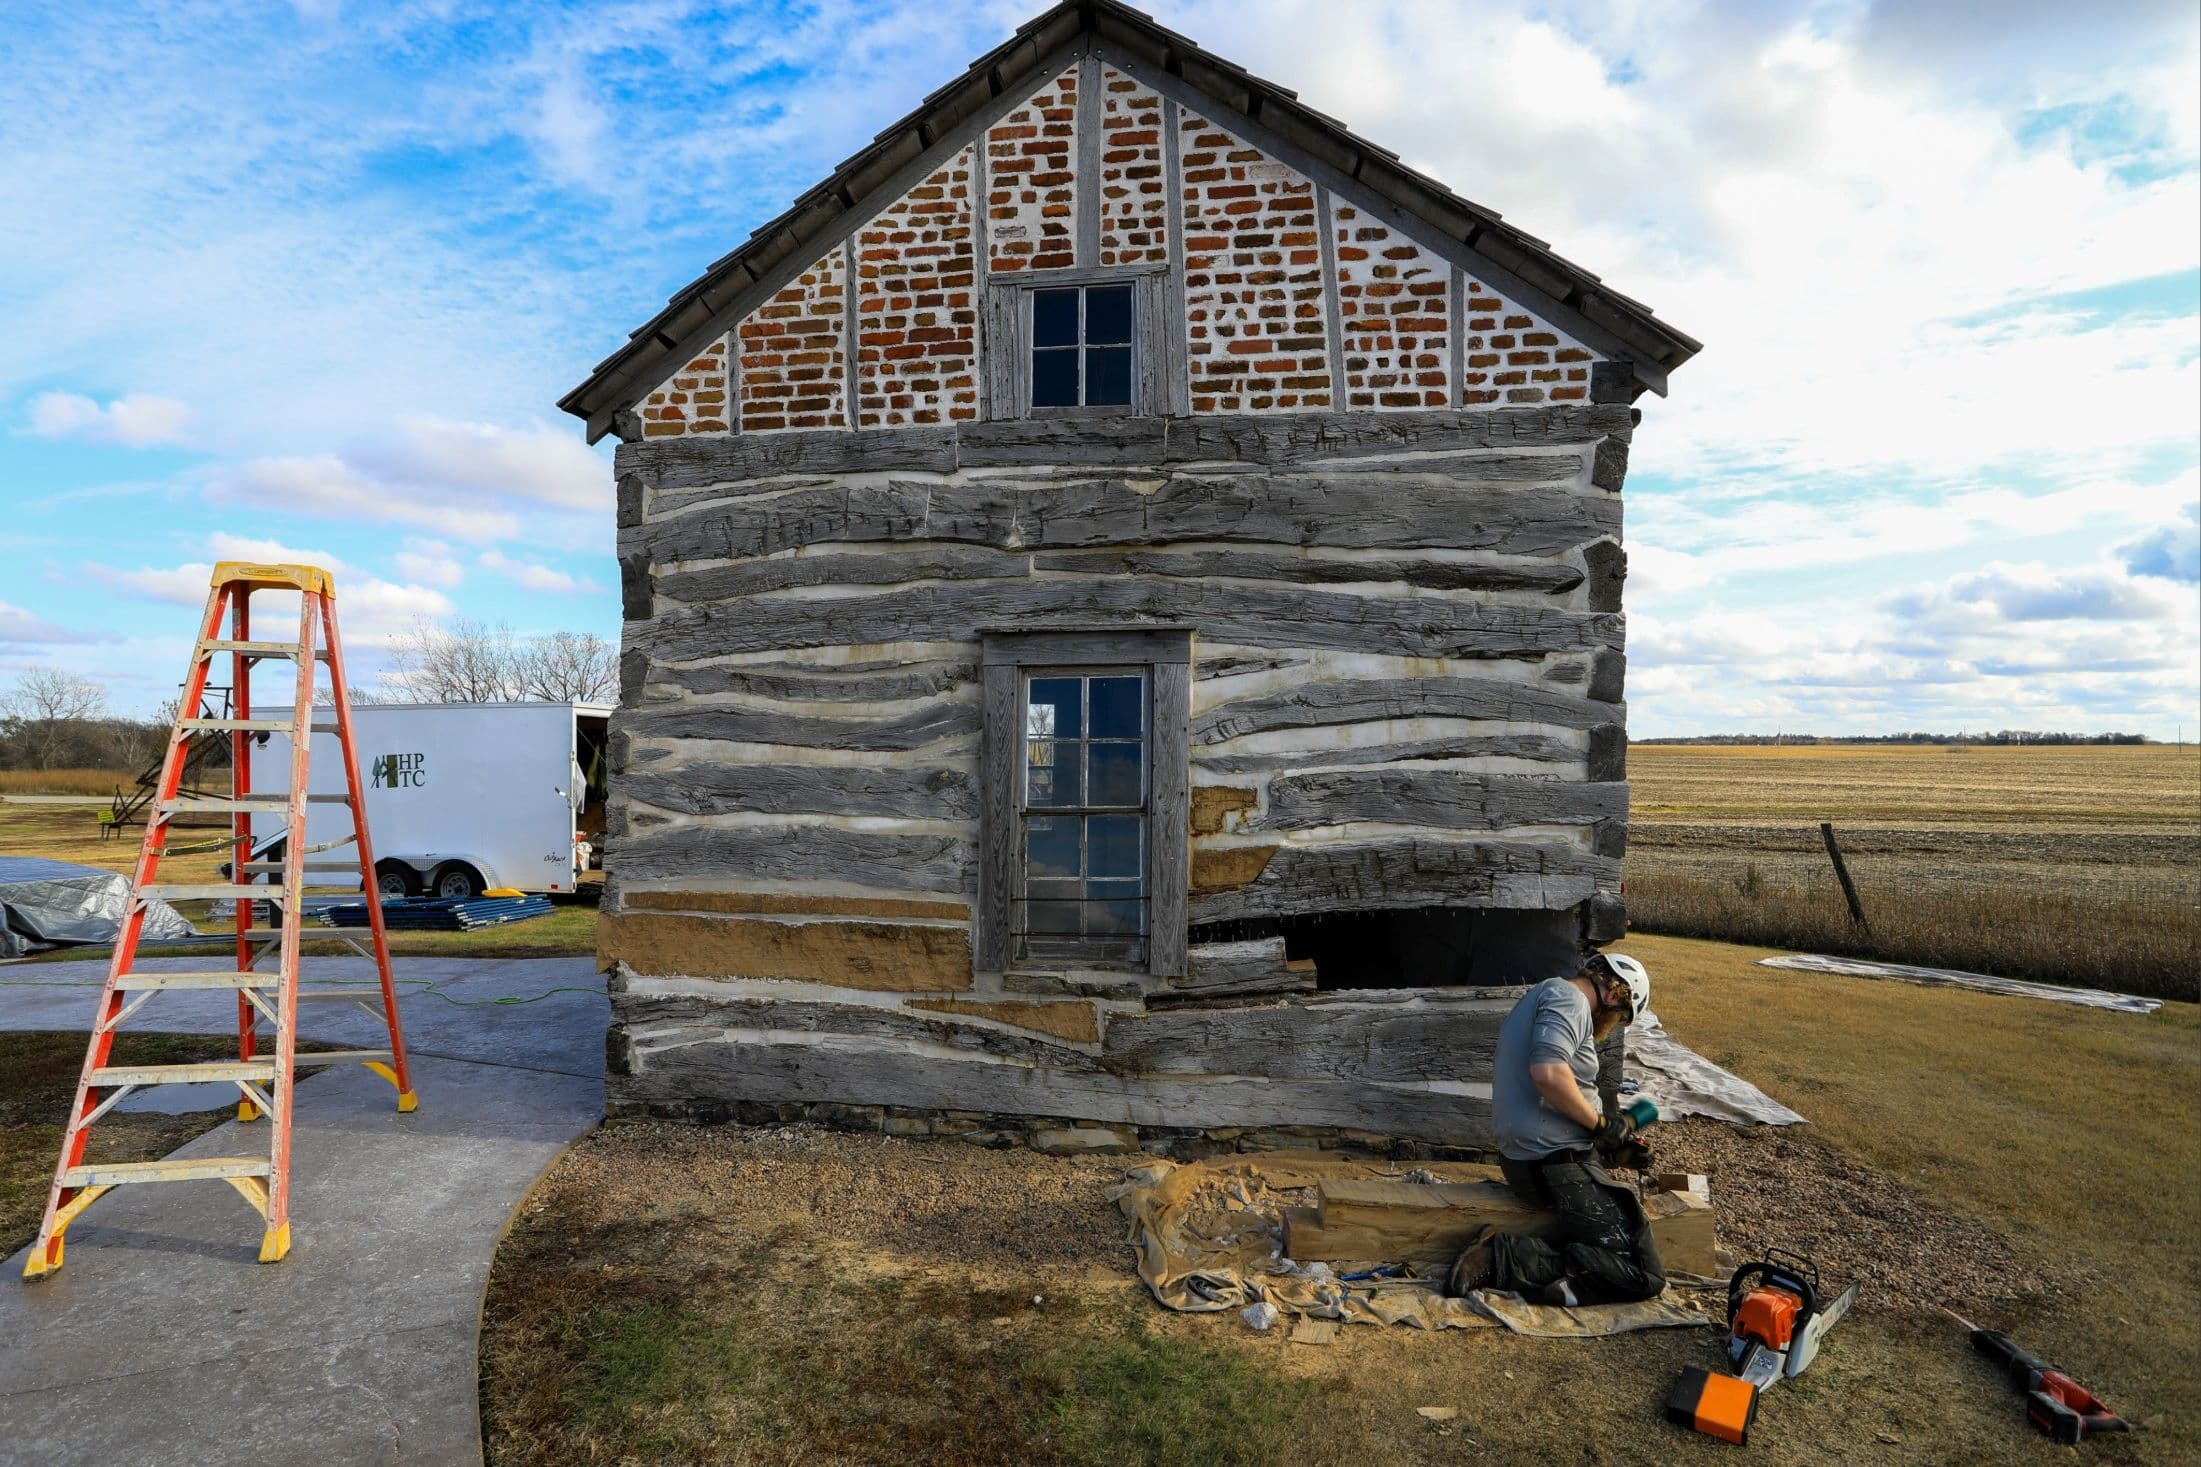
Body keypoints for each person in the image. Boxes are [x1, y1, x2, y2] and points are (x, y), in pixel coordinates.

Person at [1449, 951, 1665, 1306]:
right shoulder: (1570, 1000)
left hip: (1535, 1160)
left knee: (1613, 1242)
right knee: (1644, 1272)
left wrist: (1609, 1147)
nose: (1608, 1027)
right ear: (1614, 994)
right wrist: (1599, 1123)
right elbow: (1548, 1074)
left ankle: (1562, 1284)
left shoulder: (1545, 996)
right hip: (1557, 1165)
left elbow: (1551, 1102)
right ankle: (1503, 1258)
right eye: (1617, 1019)